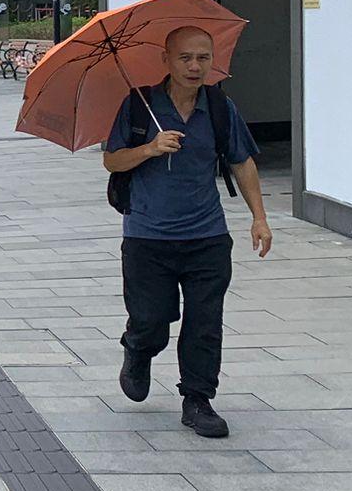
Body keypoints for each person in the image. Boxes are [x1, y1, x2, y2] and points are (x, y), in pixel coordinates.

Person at [102, 26, 272, 439]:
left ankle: (198, 399)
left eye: (203, 58)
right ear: (166, 60)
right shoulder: (139, 105)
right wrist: (150, 148)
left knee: (205, 322)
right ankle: (138, 349)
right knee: (151, 320)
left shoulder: (218, 106)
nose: (195, 66)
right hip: (147, 236)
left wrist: (259, 217)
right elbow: (112, 161)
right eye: (185, 58)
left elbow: (241, 161)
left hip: (206, 235)